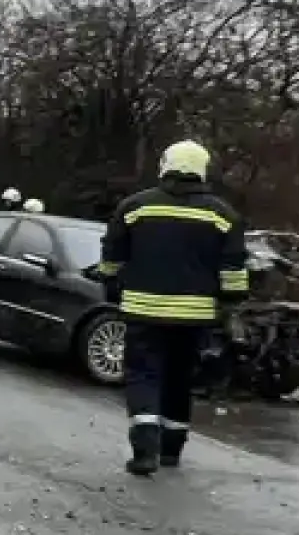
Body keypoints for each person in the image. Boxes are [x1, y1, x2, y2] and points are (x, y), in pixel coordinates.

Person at [97, 140, 248, 475]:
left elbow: (112, 256)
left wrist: (110, 285)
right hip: (195, 316)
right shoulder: (222, 214)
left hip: (143, 310)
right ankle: (171, 450)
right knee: (179, 378)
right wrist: (231, 306)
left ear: (165, 166)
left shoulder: (136, 207)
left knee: (144, 375)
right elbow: (234, 270)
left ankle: (144, 449)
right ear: (202, 170)